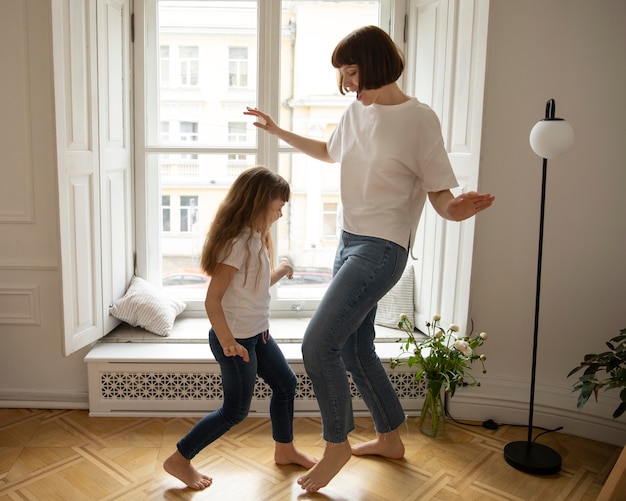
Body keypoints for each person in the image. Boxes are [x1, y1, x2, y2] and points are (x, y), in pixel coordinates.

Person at [244, 25, 495, 492]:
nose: (348, 84)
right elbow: (329, 151)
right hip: (348, 242)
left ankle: (336, 444)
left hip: (382, 250)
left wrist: (457, 211)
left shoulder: (419, 119)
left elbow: (441, 195)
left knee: (318, 345)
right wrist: (278, 131)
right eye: (343, 75)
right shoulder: (355, 113)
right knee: (357, 348)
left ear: (376, 64)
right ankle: (390, 437)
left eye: (352, 72)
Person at [163, 166, 318, 490]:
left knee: (286, 384)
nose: (279, 215)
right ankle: (179, 459)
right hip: (236, 341)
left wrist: (281, 270)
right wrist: (228, 341)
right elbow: (213, 299)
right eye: (277, 207)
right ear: (257, 203)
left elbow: (253, 287)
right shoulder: (237, 243)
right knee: (234, 411)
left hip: (258, 335)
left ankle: (285, 449)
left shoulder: (254, 238)